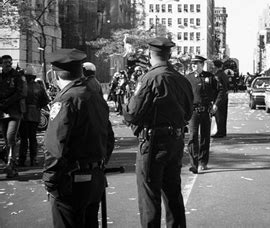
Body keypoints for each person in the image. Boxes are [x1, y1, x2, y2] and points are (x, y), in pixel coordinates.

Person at [123, 37, 193, 227]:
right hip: (175, 141)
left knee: (149, 198)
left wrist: (126, 105)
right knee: (173, 194)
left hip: (153, 143)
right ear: (169, 55)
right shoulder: (181, 79)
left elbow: (132, 114)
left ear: (149, 54)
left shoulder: (149, 78)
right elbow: (188, 112)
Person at [42, 48, 115, 227]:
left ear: (54, 74)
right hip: (95, 176)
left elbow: (55, 146)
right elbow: (109, 137)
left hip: (71, 181)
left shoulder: (66, 100)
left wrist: (50, 180)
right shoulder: (95, 96)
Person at [185, 55, 219, 173]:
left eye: (196, 63)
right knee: (192, 137)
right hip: (193, 111)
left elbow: (220, 91)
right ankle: (193, 163)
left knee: (205, 138)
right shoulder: (188, 78)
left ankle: (203, 161)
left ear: (202, 64)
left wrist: (216, 104)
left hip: (206, 111)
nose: (193, 65)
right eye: (192, 63)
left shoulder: (210, 77)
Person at [0, 55, 26, 178]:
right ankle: (10, 164)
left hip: (14, 112)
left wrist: (6, 102)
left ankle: (11, 166)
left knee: (11, 137)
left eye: (10, 62)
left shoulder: (17, 76)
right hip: (2, 112)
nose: (8, 64)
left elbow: (21, 92)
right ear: (1, 64)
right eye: (5, 62)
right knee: (6, 139)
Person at [18, 67, 50, 167]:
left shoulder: (21, 86)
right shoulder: (39, 87)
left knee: (24, 138)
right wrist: (38, 107)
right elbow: (45, 101)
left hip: (23, 114)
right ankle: (33, 159)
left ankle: (22, 160)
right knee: (33, 138)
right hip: (35, 114)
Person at [211, 60, 229, 138]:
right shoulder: (223, 74)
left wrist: (216, 102)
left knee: (219, 116)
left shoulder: (218, 75)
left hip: (219, 98)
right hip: (224, 98)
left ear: (215, 66)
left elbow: (221, 89)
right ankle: (222, 131)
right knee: (222, 116)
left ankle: (220, 132)